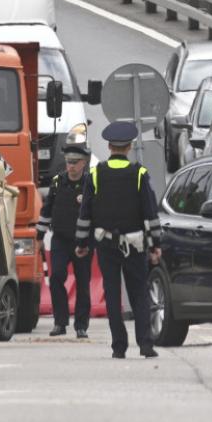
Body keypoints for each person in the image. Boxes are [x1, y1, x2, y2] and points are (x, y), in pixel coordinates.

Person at [76, 121, 163, 359]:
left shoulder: (95, 174)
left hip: (106, 245)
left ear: (109, 146)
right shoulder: (139, 174)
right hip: (134, 246)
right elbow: (150, 213)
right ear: (129, 147)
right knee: (139, 294)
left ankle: (118, 347)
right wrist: (155, 245)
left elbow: (85, 213)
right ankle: (145, 344)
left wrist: (82, 244)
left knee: (112, 295)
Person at [37, 141, 93, 338]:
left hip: (83, 242)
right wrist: (39, 236)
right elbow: (46, 211)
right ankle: (60, 323)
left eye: (75, 162)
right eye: (68, 161)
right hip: (60, 239)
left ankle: (81, 325)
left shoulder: (90, 183)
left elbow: (96, 212)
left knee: (83, 283)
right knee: (56, 277)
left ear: (83, 163)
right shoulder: (57, 182)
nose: (71, 166)